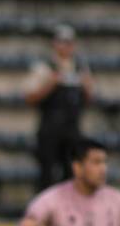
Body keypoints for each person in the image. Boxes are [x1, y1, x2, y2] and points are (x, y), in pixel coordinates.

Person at [25, 24, 95, 193]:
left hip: (72, 129)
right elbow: (30, 97)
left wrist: (86, 86)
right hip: (50, 129)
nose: (65, 47)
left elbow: (90, 98)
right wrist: (51, 84)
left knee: (72, 173)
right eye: (62, 42)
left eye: (69, 43)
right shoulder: (44, 68)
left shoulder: (80, 68)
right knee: (47, 174)